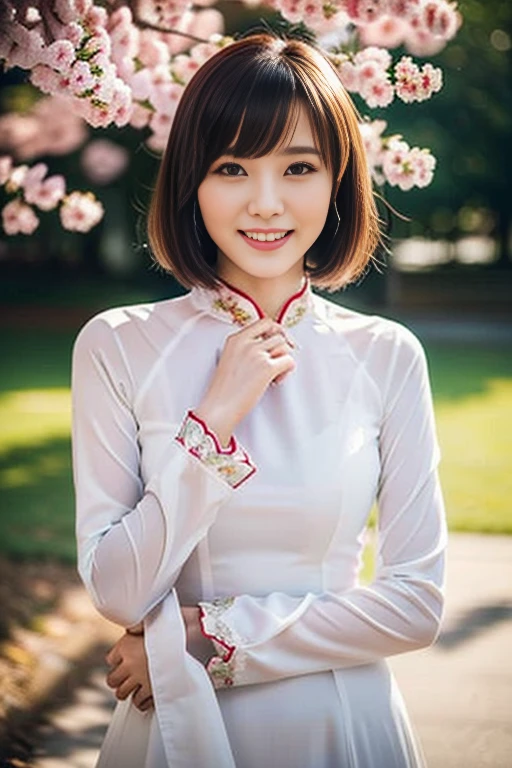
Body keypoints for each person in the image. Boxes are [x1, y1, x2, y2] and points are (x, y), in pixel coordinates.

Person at [71, 32, 447, 768]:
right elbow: (118, 591)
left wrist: (204, 640)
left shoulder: (386, 355)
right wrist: (211, 423)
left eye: (299, 167)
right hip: (172, 733)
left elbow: (415, 604)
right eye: (232, 167)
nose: (266, 203)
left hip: (344, 728)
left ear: (338, 181)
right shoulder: (118, 345)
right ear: (192, 181)